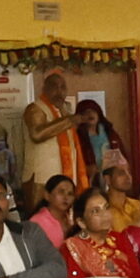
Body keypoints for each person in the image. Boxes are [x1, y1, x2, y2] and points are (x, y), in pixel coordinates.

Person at [60, 188, 140, 278]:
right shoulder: (73, 248)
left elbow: (138, 274)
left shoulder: (119, 238)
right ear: (81, 222)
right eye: (95, 211)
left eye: (106, 207)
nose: (104, 214)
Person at [22, 68, 87, 199]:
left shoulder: (64, 111)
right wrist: (69, 121)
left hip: (65, 177)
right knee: (41, 212)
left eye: (63, 87)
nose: (59, 91)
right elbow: (36, 134)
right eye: (54, 87)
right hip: (42, 179)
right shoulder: (35, 108)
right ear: (44, 89)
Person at [73, 96, 125, 185]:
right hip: (91, 179)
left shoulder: (110, 132)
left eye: (93, 111)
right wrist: (86, 168)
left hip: (113, 176)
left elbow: (122, 154)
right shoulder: (78, 136)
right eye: (86, 112)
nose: (90, 114)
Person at [31, 174, 80, 252]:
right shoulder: (38, 222)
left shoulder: (71, 220)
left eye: (70, 194)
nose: (66, 197)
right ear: (47, 195)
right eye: (61, 192)